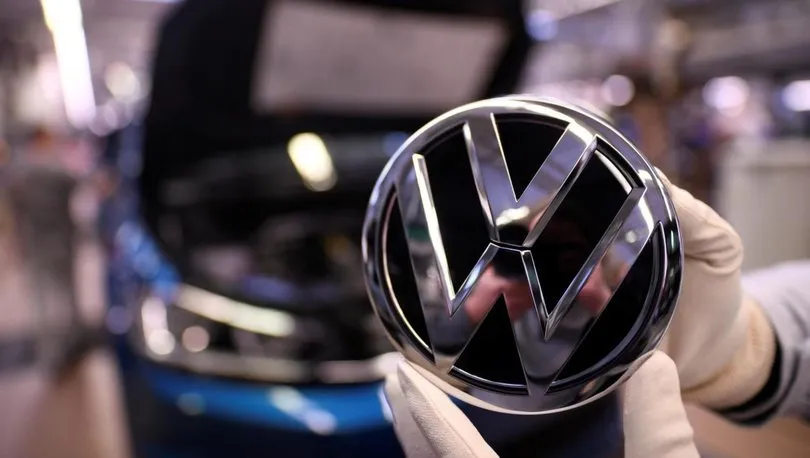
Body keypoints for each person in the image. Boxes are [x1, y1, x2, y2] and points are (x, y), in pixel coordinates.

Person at [384, 171, 810, 457]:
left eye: (566, 251)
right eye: (528, 246)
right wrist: (472, 317)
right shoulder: (488, 289)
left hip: (589, 427)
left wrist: (739, 350)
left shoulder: (612, 304)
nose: (542, 264)